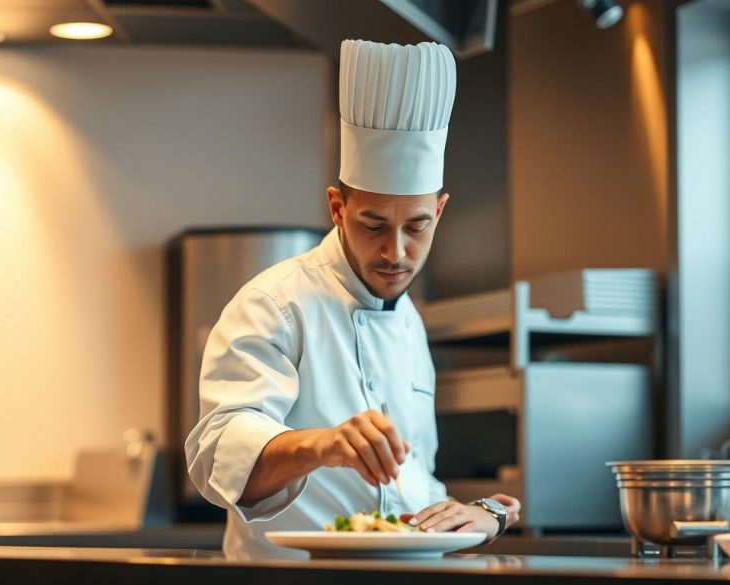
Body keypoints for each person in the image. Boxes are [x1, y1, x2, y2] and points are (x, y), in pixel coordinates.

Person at [185, 38, 521, 560]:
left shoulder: (408, 321)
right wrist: (322, 444)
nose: (396, 252)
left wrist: (478, 515)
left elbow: (409, 485)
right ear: (338, 209)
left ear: (440, 211)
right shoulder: (275, 303)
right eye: (373, 225)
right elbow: (217, 456)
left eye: (417, 227)